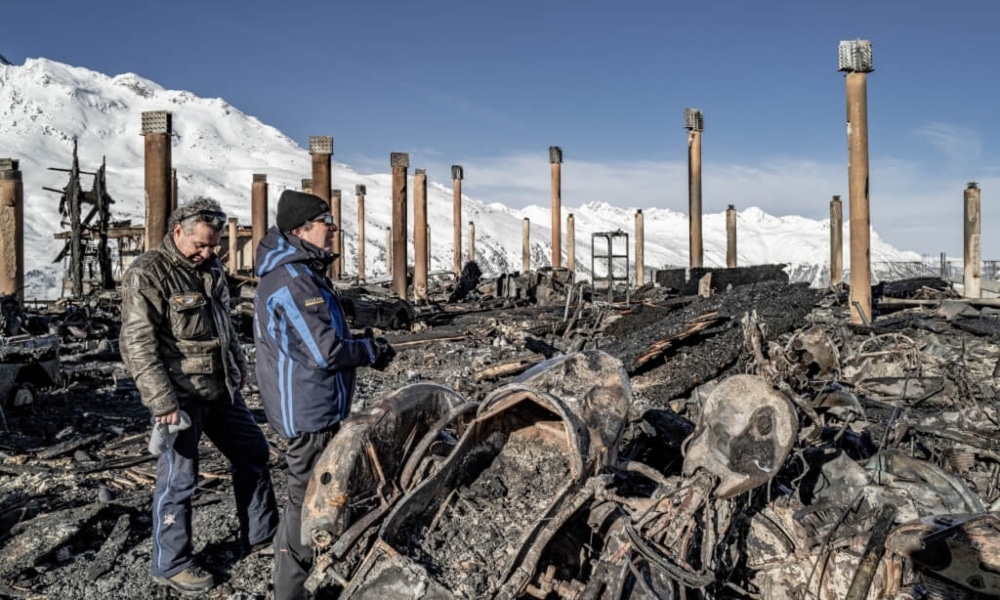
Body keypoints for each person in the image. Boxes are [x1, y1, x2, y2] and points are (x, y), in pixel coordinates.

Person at [120, 197, 279, 595]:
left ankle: (262, 535)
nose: (208, 253)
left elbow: (224, 327)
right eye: (202, 245)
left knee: (254, 454)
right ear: (178, 232)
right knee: (179, 480)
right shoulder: (148, 273)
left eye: (213, 246)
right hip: (180, 396)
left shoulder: (210, 269)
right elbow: (138, 344)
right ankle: (170, 563)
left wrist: (238, 368)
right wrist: (162, 403)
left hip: (221, 390)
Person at [254, 190, 395, 600]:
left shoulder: (301, 272)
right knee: (306, 507)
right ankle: (292, 592)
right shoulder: (294, 280)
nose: (333, 227)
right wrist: (370, 350)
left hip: (314, 407)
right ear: (301, 229)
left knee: (310, 498)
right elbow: (325, 351)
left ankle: (308, 577)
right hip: (308, 414)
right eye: (325, 220)